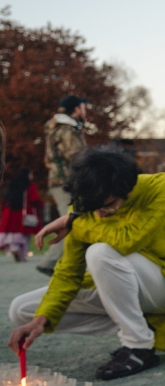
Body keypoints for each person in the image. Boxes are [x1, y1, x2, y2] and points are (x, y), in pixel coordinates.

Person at [8, 149, 165, 380]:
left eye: (108, 205)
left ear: (126, 189)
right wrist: (40, 321)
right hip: (120, 283)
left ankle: (139, 345)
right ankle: (136, 323)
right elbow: (68, 274)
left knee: (99, 253)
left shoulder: (163, 186)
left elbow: (128, 240)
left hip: (164, 282)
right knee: (22, 310)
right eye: (92, 209)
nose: (99, 215)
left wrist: (73, 223)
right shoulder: (85, 205)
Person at [38, 94, 89, 275]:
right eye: (83, 107)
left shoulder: (59, 128)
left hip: (61, 181)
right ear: (75, 109)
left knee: (74, 218)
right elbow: (78, 157)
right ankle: (51, 262)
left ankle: (59, 262)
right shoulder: (67, 130)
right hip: (65, 182)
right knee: (73, 219)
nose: (86, 111)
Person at [0, 168, 42, 261]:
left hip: (10, 212)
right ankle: (22, 254)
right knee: (24, 233)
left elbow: (5, 199)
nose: (32, 176)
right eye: (31, 174)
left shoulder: (12, 185)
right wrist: (40, 205)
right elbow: (34, 199)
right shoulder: (30, 186)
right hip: (25, 212)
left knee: (13, 232)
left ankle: (14, 248)